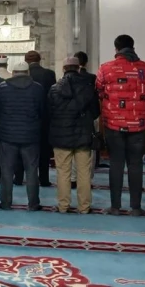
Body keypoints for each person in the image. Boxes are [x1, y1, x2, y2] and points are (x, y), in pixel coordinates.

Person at [96, 34, 145, 216]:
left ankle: (115, 206)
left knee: (116, 164)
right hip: (139, 123)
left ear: (116, 49)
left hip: (113, 124)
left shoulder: (106, 68)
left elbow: (99, 91)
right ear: (133, 46)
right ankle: (136, 207)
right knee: (136, 164)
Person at [49, 57, 100, 214]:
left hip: (61, 135)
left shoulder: (54, 89)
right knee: (84, 173)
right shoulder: (89, 88)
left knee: (63, 172)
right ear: (79, 68)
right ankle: (84, 207)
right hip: (83, 135)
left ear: (64, 69)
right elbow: (96, 112)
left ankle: (63, 205)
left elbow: (49, 112)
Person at [0, 61, 44, 211]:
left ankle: (5, 203)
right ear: (28, 72)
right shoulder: (37, 88)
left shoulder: (2, 88)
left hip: (8, 136)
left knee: (6, 171)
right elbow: (42, 111)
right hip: (30, 136)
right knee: (31, 171)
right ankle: (33, 204)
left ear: (13, 72)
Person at [25, 50, 56, 187]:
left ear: (26, 61)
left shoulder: (24, 74)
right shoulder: (49, 74)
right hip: (45, 117)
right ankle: (44, 178)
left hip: (27, 117)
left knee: (25, 149)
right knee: (43, 150)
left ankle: (21, 178)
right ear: (39, 60)